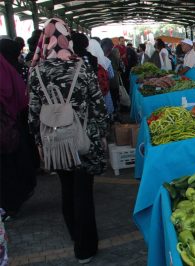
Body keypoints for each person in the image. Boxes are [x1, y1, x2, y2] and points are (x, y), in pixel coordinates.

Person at [28, 18, 108, 264]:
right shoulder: (80, 68)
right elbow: (98, 106)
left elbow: (32, 113)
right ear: (67, 39)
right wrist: (101, 135)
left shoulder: (37, 71)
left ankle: (75, 234)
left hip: (54, 140)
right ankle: (85, 248)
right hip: (82, 140)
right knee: (83, 191)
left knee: (66, 188)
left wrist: (39, 141)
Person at [0, 39, 38, 222]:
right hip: (15, 125)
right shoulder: (15, 69)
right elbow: (23, 97)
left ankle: (10, 204)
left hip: (5, 128)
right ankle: (14, 201)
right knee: (14, 165)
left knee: (7, 170)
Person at [88, 39, 115, 115]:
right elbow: (111, 75)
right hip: (104, 91)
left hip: (91, 94)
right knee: (106, 111)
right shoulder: (105, 60)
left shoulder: (84, 62)